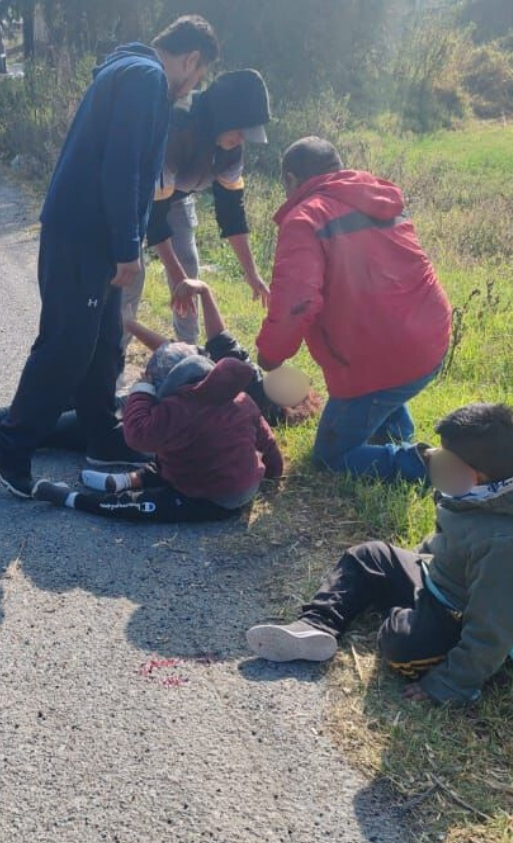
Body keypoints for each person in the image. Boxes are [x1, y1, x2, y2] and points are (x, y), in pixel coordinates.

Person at [0, 16, 219, 499]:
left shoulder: (128, 69)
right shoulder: (148, 80)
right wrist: (127, 249)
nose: (193, 88)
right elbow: (121, 169)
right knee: (67, 344)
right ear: (191, 59)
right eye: (199, 77)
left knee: (104, 338)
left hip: (88, 231)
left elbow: (130, 173)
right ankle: (10, 445)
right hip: (85, 235)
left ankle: (102, 437)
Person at [245, 403, 513, 705]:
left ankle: (410, 620)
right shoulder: (490, 486)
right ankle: (315, 626)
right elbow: (450, 542)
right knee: (368, 556)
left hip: (489, 621)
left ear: (479, 474)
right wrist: (412, 568)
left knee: (401, 646)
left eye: (447, 459)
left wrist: (449, 685)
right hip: (451, 582)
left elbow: (496, 627)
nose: (436, 459)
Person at [0, 280, 317, 460]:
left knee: (48, 429)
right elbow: (179, 351)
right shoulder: (246, 379)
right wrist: (128, 322)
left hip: (139, 428)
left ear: (289, 406)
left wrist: (202, 292)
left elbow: (208, 346)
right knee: (48, 413)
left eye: (297, 387)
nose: (293, 376)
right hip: (137, 407)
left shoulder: (252, 392)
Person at [255, 136, 454, 483]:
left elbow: (297, 304)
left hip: (382, 357)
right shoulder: (379, 196)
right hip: (430, 337)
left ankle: (429, 466)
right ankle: (395, 435)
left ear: (290, 180)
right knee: (385, 391)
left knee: (332, 456)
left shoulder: (306, 218)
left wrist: (270, 356)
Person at [28, 341, 283, 523]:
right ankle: (122, 480)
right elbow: (267, 441)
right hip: (244, 482)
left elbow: (136, 435)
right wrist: (273, 472)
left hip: (213, 497)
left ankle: (72, 498)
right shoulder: (240, 398)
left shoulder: (180, 407)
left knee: (143, 504)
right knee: (174, 455)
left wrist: (142, 389)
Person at [120, 69, 274, 345]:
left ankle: (188, 355)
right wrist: (176, 276)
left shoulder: (231, 149)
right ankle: (113, 359)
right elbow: (155, 216)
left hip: (176, 196)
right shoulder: (177, 128)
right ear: (225, 116)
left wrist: (252, 273)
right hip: (135, 197)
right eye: (240, 131)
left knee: (188, 265)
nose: (241, 140)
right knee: (132, 275)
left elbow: (232, 213)